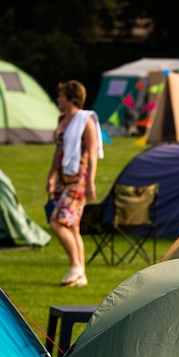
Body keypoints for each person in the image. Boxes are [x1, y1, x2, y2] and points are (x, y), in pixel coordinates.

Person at [47, 80, 103, 287]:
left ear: (71, 98)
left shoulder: (85, 120)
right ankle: (81, 275)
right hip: (62, 180)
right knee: (73, 227)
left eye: (61, 95)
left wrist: (91, 182)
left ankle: (76, 267)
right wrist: (51, 176)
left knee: (57, 222)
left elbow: (93, 151)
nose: (58, 99)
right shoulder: (62, 120)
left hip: (78, 180)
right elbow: (58, 151)